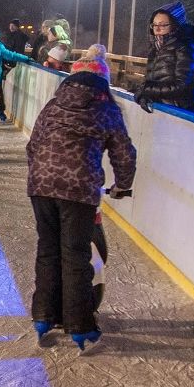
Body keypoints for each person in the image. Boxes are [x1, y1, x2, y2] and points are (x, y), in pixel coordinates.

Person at [26, 45, 136, 352]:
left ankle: (44, 317)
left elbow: (33, 145)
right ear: (103, 81)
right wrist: (123, 186)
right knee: (75, 255)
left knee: (48, 250)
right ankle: (80, 325)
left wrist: (41, 175)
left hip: (41, 185)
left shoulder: (53, 103)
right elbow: (124, 154)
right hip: (78, 189)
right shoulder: (106, 108)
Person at [135, 1, 194, 116]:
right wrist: (144, 94)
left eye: (162, 25)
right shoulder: (156, 48)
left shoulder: (187, 47)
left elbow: (183, 85)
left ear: (175, 25)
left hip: (189, 115)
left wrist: (147, 90)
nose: (157, 29)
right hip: (169, 113)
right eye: (154, 25)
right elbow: (151, 80)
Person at [0, 19, 31, 122]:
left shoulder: (17, 37)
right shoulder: (13, 36)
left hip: (11, 62)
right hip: (11, 62)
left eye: (13, 26)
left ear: (17, 26)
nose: (11, 27)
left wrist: (9, 61)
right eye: (10, 25)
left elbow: (13, 50)